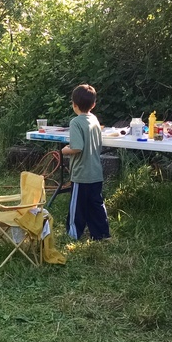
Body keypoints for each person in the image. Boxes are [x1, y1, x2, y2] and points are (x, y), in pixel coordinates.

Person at [61, 84, 111, 241]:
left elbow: (77, 147)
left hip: (81, 174)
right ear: (93, 104)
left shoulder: (75, 122)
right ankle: (102, 234)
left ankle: (73, 234)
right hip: (95, 172)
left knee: (77, 206)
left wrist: (64, 150)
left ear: (74, 104)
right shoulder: (94, 120)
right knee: (96, 205)